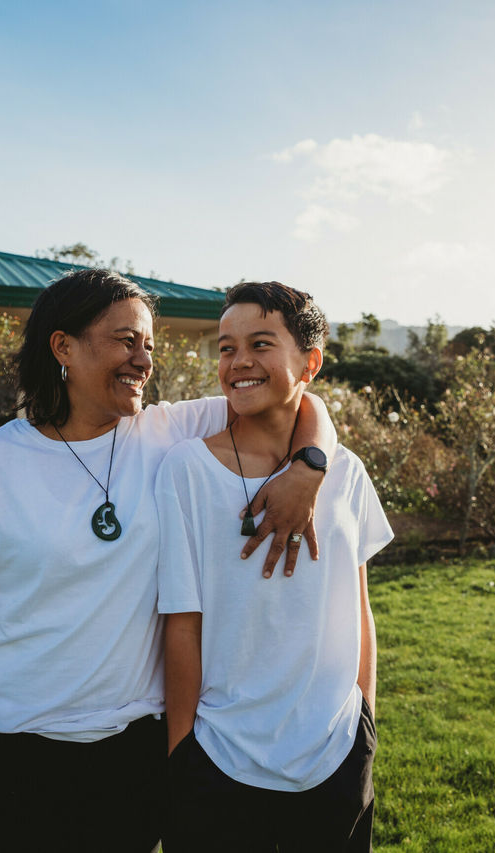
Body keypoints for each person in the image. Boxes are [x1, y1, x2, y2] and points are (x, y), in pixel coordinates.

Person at [0, 269, 337, 853]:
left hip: (136, 752)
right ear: (63, 346)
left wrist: (310, 464)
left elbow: (295, 395)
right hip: (10, 750)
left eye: (149, 345)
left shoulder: (167, 431)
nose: (143, 359)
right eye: (125, 340)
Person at [158, 282, 393, 852]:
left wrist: (363, 719)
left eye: (261, 344)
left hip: (335, 752)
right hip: (217, 756)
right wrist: (183, 748)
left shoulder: (347, 472)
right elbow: (181, 619)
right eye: (225, 347)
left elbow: (356, 605)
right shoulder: (184, 470)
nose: (239, 362)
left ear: (309, 362)